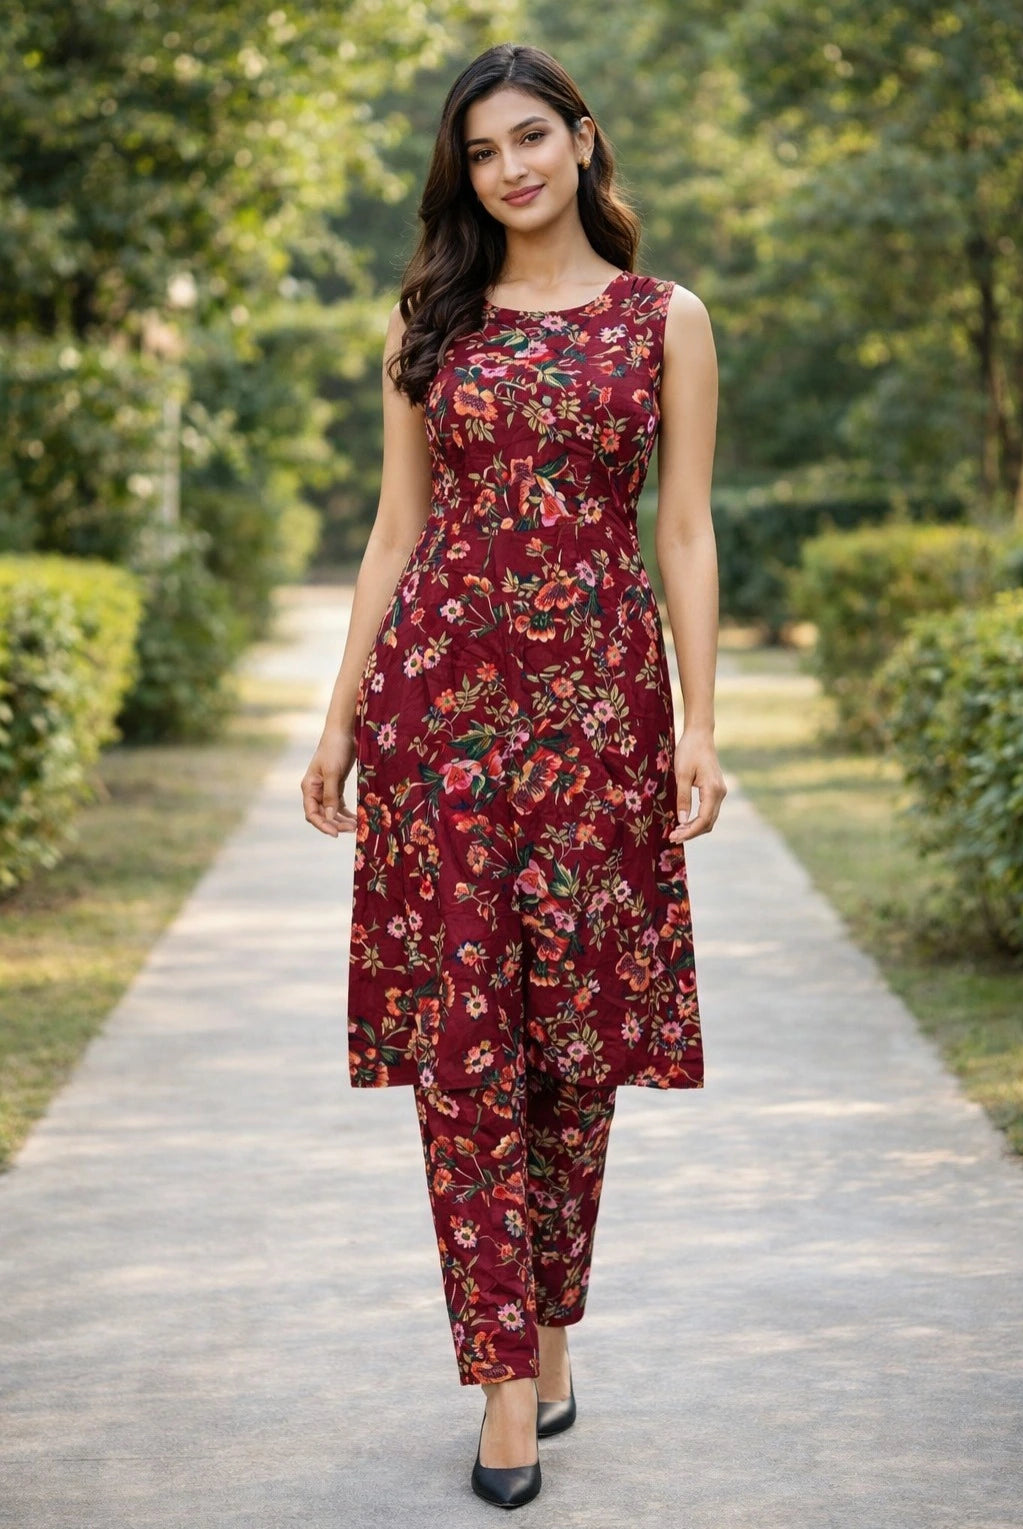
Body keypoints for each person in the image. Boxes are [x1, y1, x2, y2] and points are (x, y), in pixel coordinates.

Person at [301, 40, 725, 1510]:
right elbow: (392, 527)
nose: (510, 170)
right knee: (470, 1053)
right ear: (464, 173)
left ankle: (552, 1333)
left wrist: (699, 721)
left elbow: (683, 530)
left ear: (584, 139)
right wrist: (344, 713)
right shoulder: (429, 318)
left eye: (531, 137)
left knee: (573, 1052)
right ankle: (496, 1384)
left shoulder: (665, 319)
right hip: (446, 726)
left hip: (602, 721)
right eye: (483, 152)